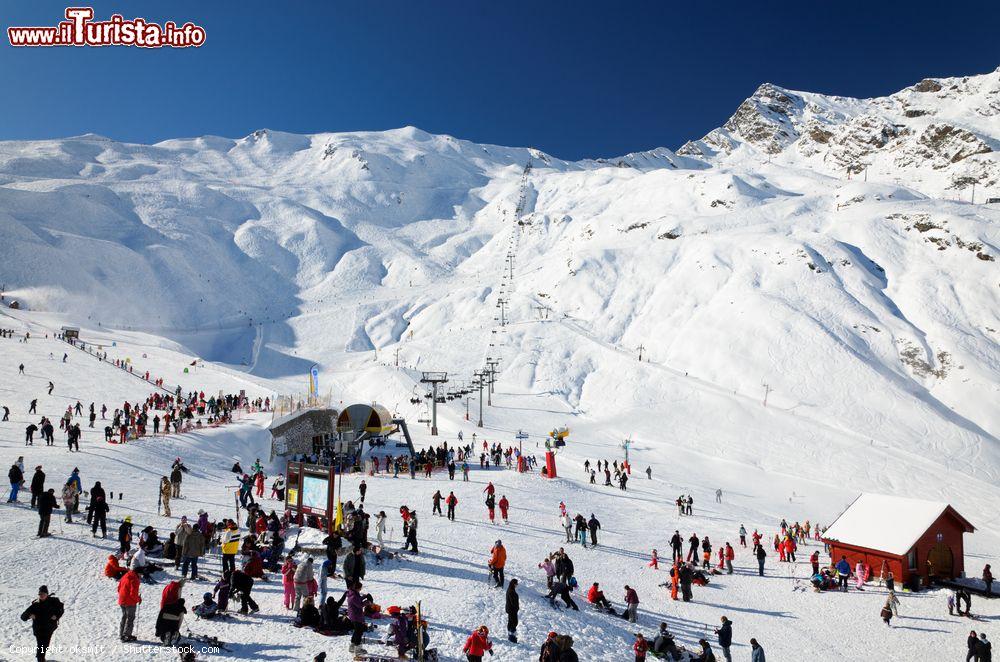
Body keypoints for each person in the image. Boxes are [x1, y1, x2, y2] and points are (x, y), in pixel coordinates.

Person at [20, 585, 64, 662]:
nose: (42, 595)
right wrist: (30, 615)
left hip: (49, 628)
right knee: (41, 646)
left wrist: (56, 616)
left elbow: (61, 609)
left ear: (47, 594)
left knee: (45, 646)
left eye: (43, 594)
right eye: (40, 594)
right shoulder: (35, 605)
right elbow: (23, 617)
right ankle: (40, 659)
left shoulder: (54, 601)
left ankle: (40, 657)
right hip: (39, 630)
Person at [117, 568, 141, 642]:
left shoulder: (125, 576)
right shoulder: (135, 579)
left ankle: (122, 634)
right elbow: (133, 594)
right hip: (130, 602)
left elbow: (118, 588)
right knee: (130, 618)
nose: (141, 576)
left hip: (122, 600)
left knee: (124, 616)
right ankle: (126, 635)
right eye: (141, 574)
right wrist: (138, 599)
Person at [345, 582, 366, 655]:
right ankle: (358, 649)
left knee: (357, 631)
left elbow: (358, 600)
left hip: (354, 615)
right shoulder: (353, 596)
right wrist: (367, 602)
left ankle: (352, 646)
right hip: (355, 616)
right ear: (357, 588)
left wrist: (364, 597)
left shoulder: (353, 593)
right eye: (360, 588)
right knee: (359, 632)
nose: (361, 589)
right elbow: (360, 605)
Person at [505, 578, 519, 643]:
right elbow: (513, 602)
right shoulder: (511, 591)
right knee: (514, 622)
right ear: (513, 584)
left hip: (510, 609)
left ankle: (511, 636)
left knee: (511, 622)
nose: (517, 585)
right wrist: (516, 608)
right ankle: (512, 638)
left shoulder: (511, 589)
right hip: (512, 610)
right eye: (516, 584)